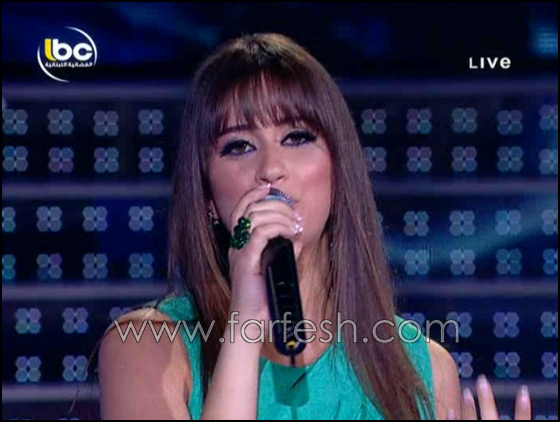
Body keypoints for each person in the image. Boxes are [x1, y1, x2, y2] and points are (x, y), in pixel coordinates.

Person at [97, 33, 533, 420]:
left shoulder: (422, 370)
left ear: (338, 170)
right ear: (209, 198)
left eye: (297, 138)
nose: (271, 168)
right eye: (239, 146)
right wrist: (245, 320)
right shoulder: (147, 349)